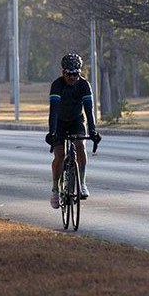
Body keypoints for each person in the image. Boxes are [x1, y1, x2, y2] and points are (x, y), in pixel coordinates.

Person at [46, 53, 101, 209]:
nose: (72, 78)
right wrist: (52, 132)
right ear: (63, 73)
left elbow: (89, 111)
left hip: (77, 120)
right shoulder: (57, 85)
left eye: (76, 74)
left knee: (81, 146)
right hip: (59, 122)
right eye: (69, 74)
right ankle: (55, 188)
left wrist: (93, 131)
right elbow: (54, 111)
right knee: (60, 154)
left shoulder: (84, 85)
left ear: (80, 72)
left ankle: (82, 183)